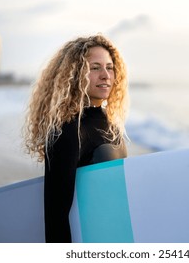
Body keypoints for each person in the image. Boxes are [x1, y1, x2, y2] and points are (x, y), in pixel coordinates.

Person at [23, 34, 129, 242]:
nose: (105, 75)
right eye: (95, 67)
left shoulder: (113, 125)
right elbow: (56, 216)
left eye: (109, 67)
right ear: (74, 75)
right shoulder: (67, 130)